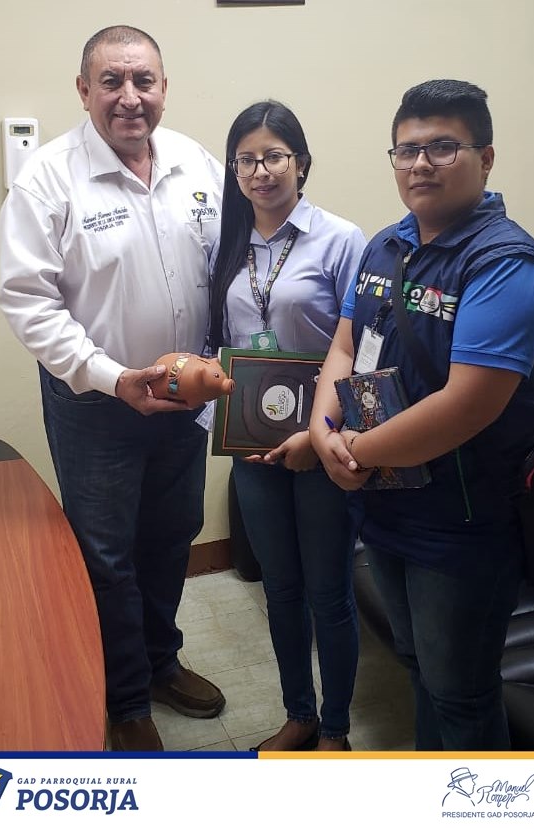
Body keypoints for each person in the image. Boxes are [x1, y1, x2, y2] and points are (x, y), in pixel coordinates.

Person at [309, 79, 534, 750]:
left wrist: (354, 452)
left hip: (462, 526)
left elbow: (464, 407)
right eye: (407, 149)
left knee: (462, 695)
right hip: (383, 505)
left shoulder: (506, 265)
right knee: (421, 669)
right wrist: (321, 429)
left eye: (443, 147)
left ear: (486, 159)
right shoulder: (386, 246)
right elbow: (345, 347)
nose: (421, 163)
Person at [0, 25, 226, 752]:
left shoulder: (196, 163)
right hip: (96, 403)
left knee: (172, 537)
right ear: (83, 90)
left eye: (144, 80)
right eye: (112, 81)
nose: (130, 97)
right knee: (106, 555)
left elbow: (228, 268)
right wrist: (114, 377)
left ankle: (160, 662)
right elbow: (28, 302)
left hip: (182, 401)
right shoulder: (49, 178)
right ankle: (124, 696)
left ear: (163, 87)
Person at [209, 101, 367, 751]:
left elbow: (362, 349)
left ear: (300, 162)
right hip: (253, 450)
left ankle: (336, 730)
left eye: (274, 156)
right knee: (280, 589)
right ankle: (299, 714)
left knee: (329, 591)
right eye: (246, 160)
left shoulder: (342, 239)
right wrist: (226, 424)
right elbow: (220, 342)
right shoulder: (226, 242)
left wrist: (319, 434)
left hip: (322, 443)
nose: (261, 171)